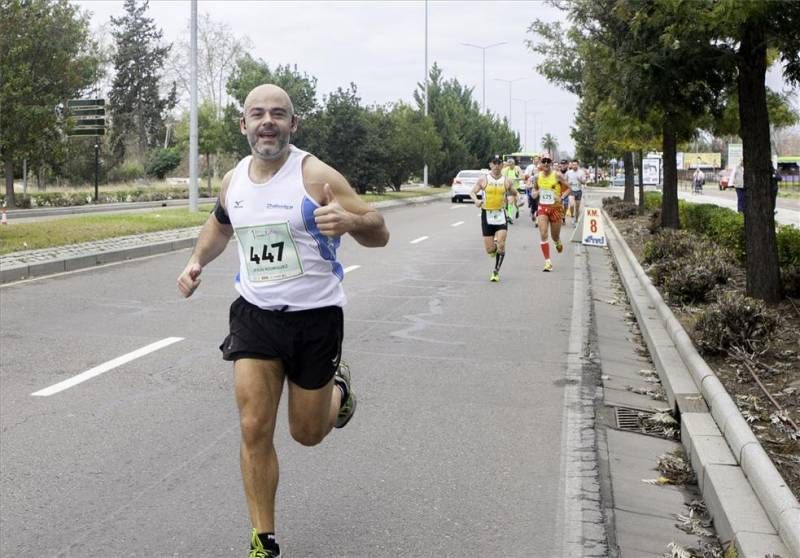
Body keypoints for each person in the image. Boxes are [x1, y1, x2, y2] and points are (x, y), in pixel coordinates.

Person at [176, 84, 389, 558]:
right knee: (254, 426)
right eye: (257, 114)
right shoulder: (234, 180)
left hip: (316, 319)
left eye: (278, 114)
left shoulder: (313, 174)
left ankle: (340, 391)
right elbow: (220, 224)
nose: (267, 121)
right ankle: (263, 539)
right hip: (255, 316)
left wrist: (351, 223)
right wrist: (196, 262)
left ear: (293, 124)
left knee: (307, 433)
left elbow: (380, 229)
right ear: (244, 124)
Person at [470, 154, 519, 282]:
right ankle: (494, 251)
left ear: (502, 165)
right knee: (490, 250)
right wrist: (476, 200)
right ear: (490, 165)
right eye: (494, 163)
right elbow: (472, 192)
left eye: (499, 163)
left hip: (501, 215)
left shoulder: (506, 181)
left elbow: (515, 193)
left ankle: (496, 271)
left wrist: (518, 200)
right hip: (487, 215)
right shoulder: (483, 179)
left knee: (501, 244)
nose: (497, 165)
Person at [532, 155, 571, 272]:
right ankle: (548, 262)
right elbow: (534, 190)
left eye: (548, 161)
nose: (546, 163)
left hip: (556, 208)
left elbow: (569, 188)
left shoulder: (557, 175)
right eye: (543, 161)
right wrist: (535, 192)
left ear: (551, 163)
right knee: (543, 234)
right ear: (540, 163)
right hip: (542, 208)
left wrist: (562, 197)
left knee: (554, 236)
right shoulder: (537, 177)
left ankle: (557, 241)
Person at [564, 159, 586, 225]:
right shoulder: (568, 172)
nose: (574, 166)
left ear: (578, 165)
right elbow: (564, 181)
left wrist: (581, 180)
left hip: (579, 191)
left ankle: (576, 220)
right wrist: (568, 183)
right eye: (573, 165)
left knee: (577, 207)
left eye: (575, 165)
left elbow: (584, 182)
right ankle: (572, 215)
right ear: (571, 165)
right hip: (571, 190)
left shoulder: (581, 172)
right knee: (571, 204)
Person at [502, 157, 523, 223]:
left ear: (514, 164)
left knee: (515, 203)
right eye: (509, 164)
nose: (510, 165)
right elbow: (503, 177)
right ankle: (510, 217)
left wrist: (517, 179)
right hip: (509, 188)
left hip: (516, 188)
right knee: (510, 202)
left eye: (511, 164)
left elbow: (522, 176)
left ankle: (517, 210)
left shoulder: (517, 168)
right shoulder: (506, 170)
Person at [524, 155, 541, 222]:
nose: (536, 160)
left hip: (540, 192)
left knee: (538, 205)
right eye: (535, 159)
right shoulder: (530, 171)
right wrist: (530, 186)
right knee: (533, 205)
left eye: (537, 159)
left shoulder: (541, 172)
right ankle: (532, 212)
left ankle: (537, 219)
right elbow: (526, 183)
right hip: (532, 192)